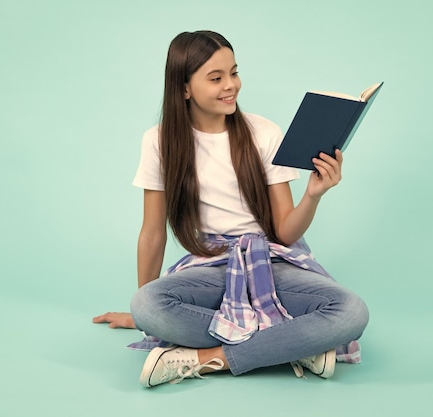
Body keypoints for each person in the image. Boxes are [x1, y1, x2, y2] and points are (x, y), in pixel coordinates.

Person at [93, 30, 369, 388]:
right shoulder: (159, 141)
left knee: (352, 312)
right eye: (216, 77)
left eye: (234, 73)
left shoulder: (263, 133)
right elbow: (152, 232)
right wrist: (145, 315)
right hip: (211, 266)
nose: (231, 86)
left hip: (271, 262)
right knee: (146, 304)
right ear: (184, 87)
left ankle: (209, 359)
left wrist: (313, 195)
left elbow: (284, 232)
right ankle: (289, 345)